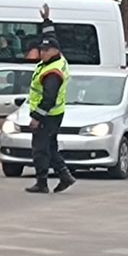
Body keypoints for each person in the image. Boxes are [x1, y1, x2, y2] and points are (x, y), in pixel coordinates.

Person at [26, 35, 76, 194]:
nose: (42, 53)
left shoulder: (52, 73)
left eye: (46, 50)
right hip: (55, 114)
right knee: (50, 147)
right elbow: (52, 36)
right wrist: (47, 21)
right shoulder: (59, 61)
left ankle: (42, 183)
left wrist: (37, 117)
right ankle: (64, 175)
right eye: (41, 49)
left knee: (40, 149)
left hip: (47, 115)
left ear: (55, 51)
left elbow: (49, 98)